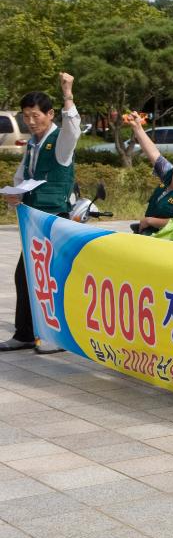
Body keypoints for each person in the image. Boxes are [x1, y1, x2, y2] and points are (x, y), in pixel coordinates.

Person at [2, 73, 80, 352]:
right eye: (25, 116)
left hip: (54, 218)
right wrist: (15, 193)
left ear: (49, 114)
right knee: (25, 275)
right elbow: (22, 176)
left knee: (51, 277)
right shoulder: (33, 144)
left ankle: (55, 337)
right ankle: (25, 334)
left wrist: (67, 93)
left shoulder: (60, 142)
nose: (30, 121)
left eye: (35, 115)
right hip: (34, 219)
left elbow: (73, 128)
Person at [124, 113, 173, 235]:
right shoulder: (169, 172)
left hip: (165, 239)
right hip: (147, 231)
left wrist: (150, 221)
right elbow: (153, 153)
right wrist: (137, 128)